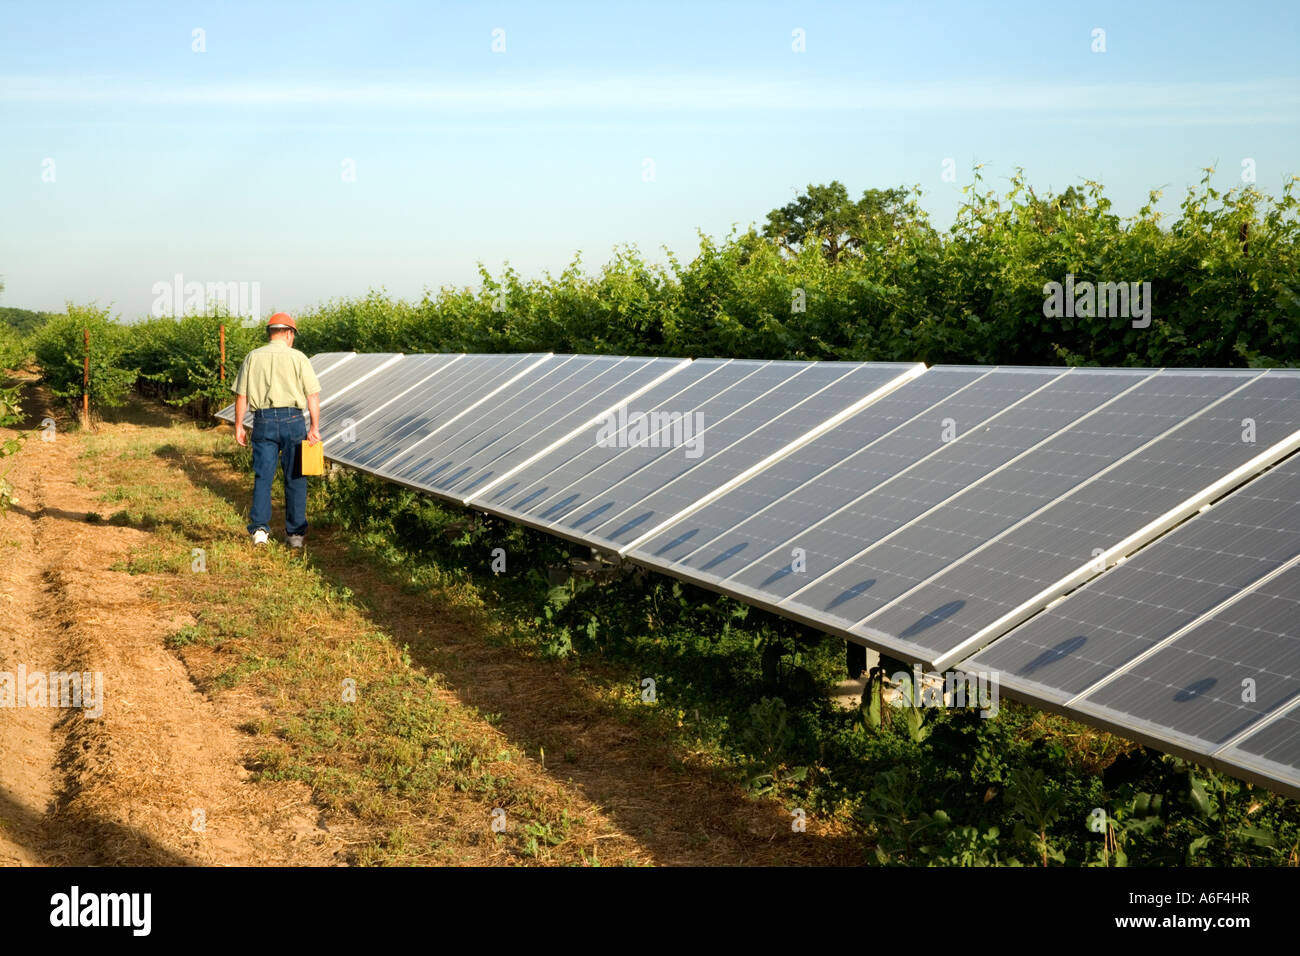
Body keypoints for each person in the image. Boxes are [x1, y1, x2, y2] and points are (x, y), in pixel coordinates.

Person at [230, 313, 322, 548]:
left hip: (263, 421)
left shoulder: (253, 357)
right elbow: (312, 395)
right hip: (293, 421)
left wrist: (239, 425)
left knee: (263, 476)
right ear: (289, 333)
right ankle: (295, 535)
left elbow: (241, 395)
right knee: (296, 477)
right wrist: (314, 428)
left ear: (270, 333)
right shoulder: (299, 358)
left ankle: (260, 531)